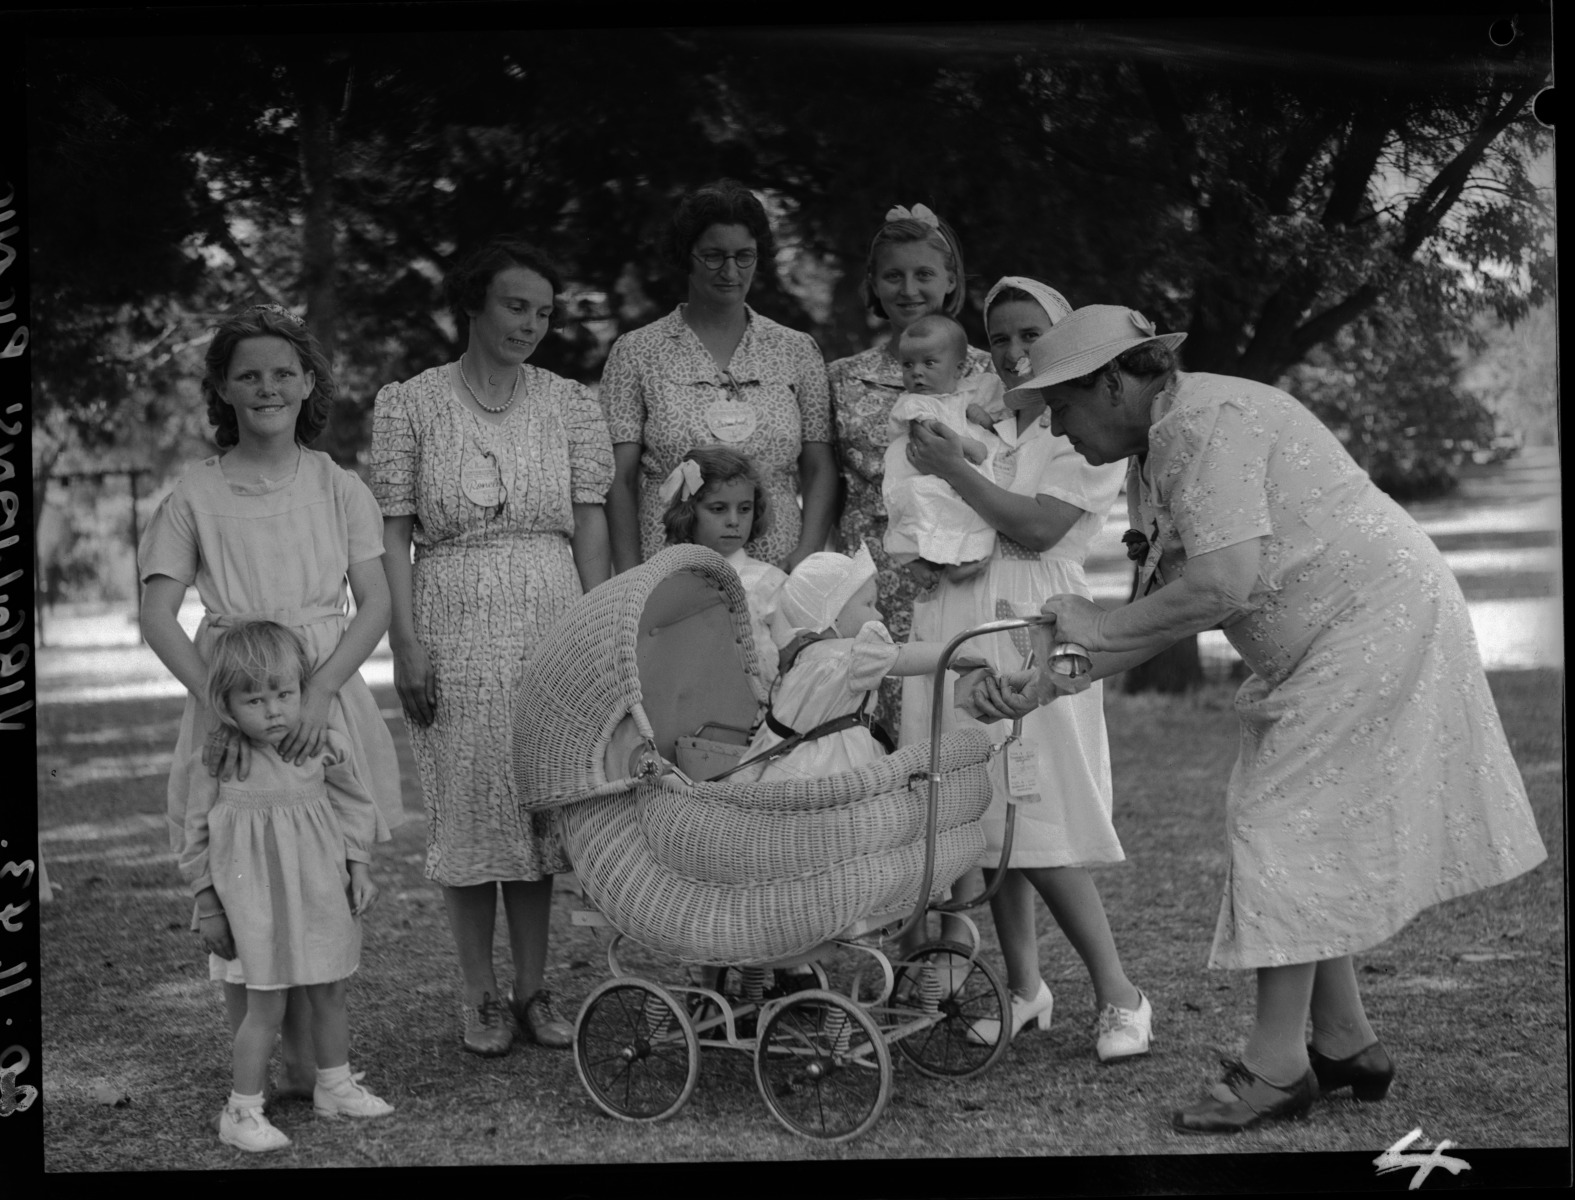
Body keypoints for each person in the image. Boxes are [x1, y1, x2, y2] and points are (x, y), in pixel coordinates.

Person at [979, 302, 1548, 1133]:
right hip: (1336, 634)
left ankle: (1276, 1067)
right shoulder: (1157, 449)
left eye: (1059, 406)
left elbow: (1220, 586)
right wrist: (1039, 685)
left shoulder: (1206, 421)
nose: (1056, 429)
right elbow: (1157, 612)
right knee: (1299, 827)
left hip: (1369, 622)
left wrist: (1092, 628)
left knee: (1277, 823)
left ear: (1110, 384)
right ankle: (1345, 1042)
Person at [139, 303, 405, 1107]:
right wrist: (214, 703)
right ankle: (265, 1053)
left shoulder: (337, 485)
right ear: (222, 387)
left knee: (321, 859)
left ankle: (325, 1061)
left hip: (316, 689)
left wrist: (323, 689)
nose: (266, 387)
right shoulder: (195, 492)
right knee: (242, 856)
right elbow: (157, 614)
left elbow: (376, 603)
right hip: (237, 696)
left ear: (309, 382)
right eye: (247, 374)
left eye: (282, 372)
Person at [369, 236, 613, 1057]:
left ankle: (534, 989)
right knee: (472, 811)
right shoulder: (409, 404)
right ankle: (477, 995)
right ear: (472, 303)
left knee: (539, 810)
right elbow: (392, 533)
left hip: (549, 611)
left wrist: (593, 632)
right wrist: (405, 642)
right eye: (515, 306)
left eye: (543, 313)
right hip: (450, 615)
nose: (530, 325)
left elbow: (589, 526)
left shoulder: (570, 403)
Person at [900, 278, 1149, 1060]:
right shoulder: (979, 416)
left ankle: (1119, 993)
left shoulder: (1084, 430)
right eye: (998, 336)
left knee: (1039, 822)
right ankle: (1023, 987)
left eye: (1027, 335)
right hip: (958, 615)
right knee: (982, 819)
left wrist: (952, 473)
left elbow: (1039, 529)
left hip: (1036, 619)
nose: (1011, 352)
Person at [182, 621, 394, 1152]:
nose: (273, 710)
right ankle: (241, 1109)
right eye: (254, 699)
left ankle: (335, 1085)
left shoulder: (322, 745)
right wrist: (206, 901)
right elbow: (195, 834)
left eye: (284, 694)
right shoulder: (221, 759)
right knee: (266, 1006)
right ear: (226, 705)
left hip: (320, 891)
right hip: (254, 906)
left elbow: (354, 806)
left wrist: (360, 867)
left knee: (330, 990)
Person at [602, 179, 836, 576]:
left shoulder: (796, 350)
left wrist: (808, 554)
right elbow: (619, 480)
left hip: (778, 569)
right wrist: (630, 577)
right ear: (686, 255)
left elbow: (819, 467)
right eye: (713, 256)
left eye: (744, 256)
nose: (730, 271)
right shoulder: (637, 352)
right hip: (669, 573)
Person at [828, 203, 998, 728]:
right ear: (873, 285)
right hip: (875, 581)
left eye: (924, 274)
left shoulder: (989, 378)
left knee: (960, 723)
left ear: (951, 279)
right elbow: (827, 485)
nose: (909, 289)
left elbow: (1011, 471)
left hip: (968, 568)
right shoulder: (841, 378)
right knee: (875, 732)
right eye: (892, 276)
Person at [733, 545, 977, 783]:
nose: (879, 615)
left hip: (795, 764)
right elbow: (905, 657)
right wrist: (956, 651)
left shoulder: (805, 658)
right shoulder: (849, 656)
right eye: (869, 605)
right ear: (833, 614)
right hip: (835, 768)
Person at [881, 313, 1005, 589]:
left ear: (959, 370)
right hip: (920, 475)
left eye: (929, 363)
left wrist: (986, 418)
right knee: (920, 508)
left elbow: (1003, 417)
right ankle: (916, 560)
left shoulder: (972, 392)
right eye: (908, 365)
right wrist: (967, 445)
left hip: (955, 475)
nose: (917, 372)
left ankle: (960, 558)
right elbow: (929, 433)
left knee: (966, 512)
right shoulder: (912, 403)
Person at [660, 445, 788, 685]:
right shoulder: (667, 580)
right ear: (689, 511)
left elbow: (790, 658)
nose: (733, 521)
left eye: (744, 509)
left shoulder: (769, 582)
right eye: (718, 509)